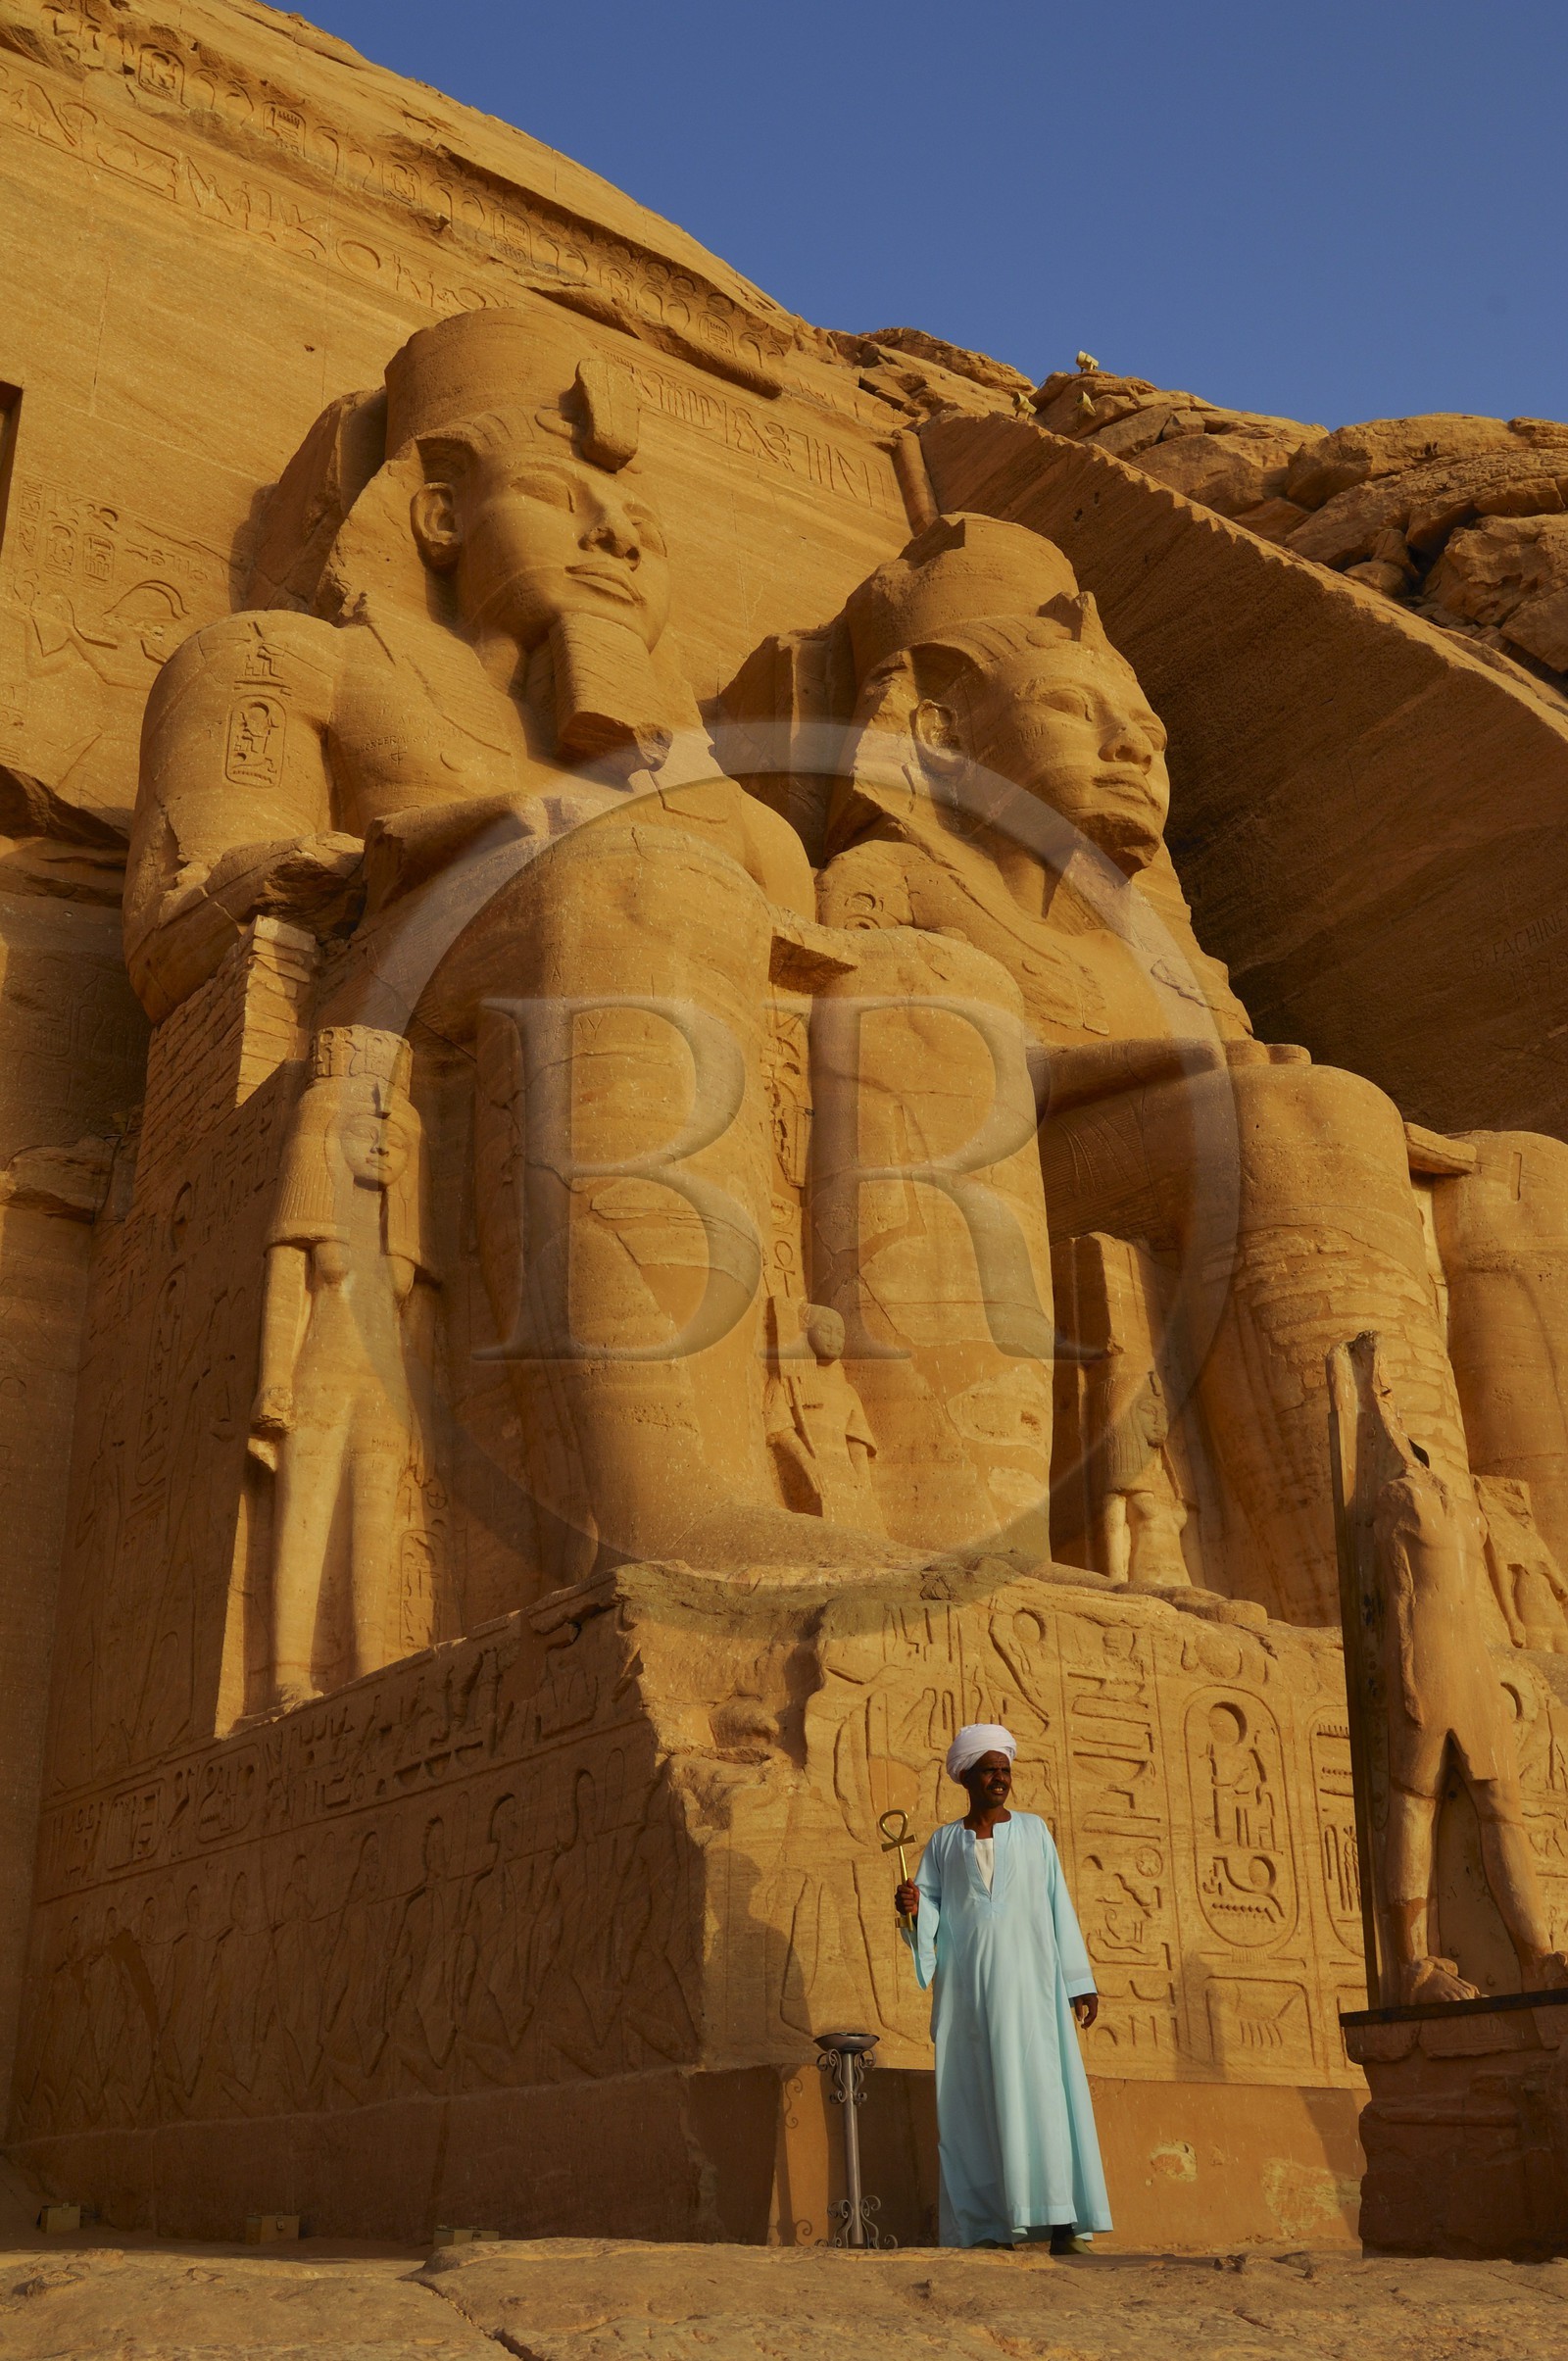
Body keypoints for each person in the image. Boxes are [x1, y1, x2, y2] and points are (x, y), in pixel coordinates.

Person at [895, 1721, 1111, 2252]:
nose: (1000, 1778)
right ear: (965, 1775)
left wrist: (1078, 1981)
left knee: (1043, 2096)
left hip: (1032, 1994)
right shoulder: (944, 1843)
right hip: (969, 1999)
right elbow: (930, 1918)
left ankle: (1063, 2222)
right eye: (989, 1770)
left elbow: (1058, 1906)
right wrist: (914, 1910)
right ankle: (988, 2226)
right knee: (975, 2105)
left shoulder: (1035, 1832)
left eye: (1005, 1770)